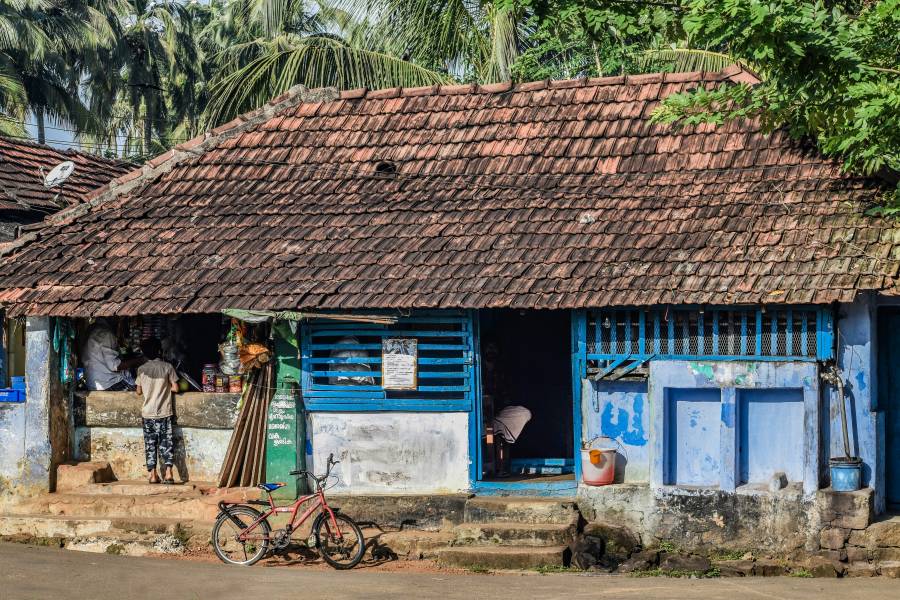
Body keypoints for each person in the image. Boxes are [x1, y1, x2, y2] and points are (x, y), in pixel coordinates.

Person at [135, 337, 179, 484]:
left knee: (150, 444)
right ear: (160, 350)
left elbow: (138, 392)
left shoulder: (141, 369)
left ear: (144, 353)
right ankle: (168, 473)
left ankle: (153, 475)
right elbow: (175, 388)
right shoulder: (167, 367)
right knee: (166, 442)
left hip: (148, 414)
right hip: (164, 412)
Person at [83, 318, 143, 391]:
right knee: (140, 391)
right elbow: (115, 366)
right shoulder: (107, 334)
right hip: (107, 383)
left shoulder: (91, 329)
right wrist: (140, 361)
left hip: (91, 383)